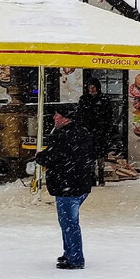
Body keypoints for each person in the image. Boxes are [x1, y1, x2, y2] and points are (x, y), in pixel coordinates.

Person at [38, 104, 93, 270]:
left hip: (67, 186)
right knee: (68, 222)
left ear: (67, 119)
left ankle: (75, 258)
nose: (55, 118)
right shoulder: (82, 133)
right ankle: (69, 252)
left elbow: (53, 156)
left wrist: (40, 156)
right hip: (80, 184)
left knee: (69, 223)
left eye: (58, 116)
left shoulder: (64, 136)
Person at [76, 79, 112, 185]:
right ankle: (91, 178)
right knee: (89, 156)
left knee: (100, 156)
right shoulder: (83, 100)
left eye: (93, 87)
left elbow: (108, 117)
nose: (91, 89)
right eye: (89, 87)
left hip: (100, 133)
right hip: (88, 132)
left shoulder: (104, 100)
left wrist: (106, 131)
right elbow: (80, 116)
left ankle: (101, 177)